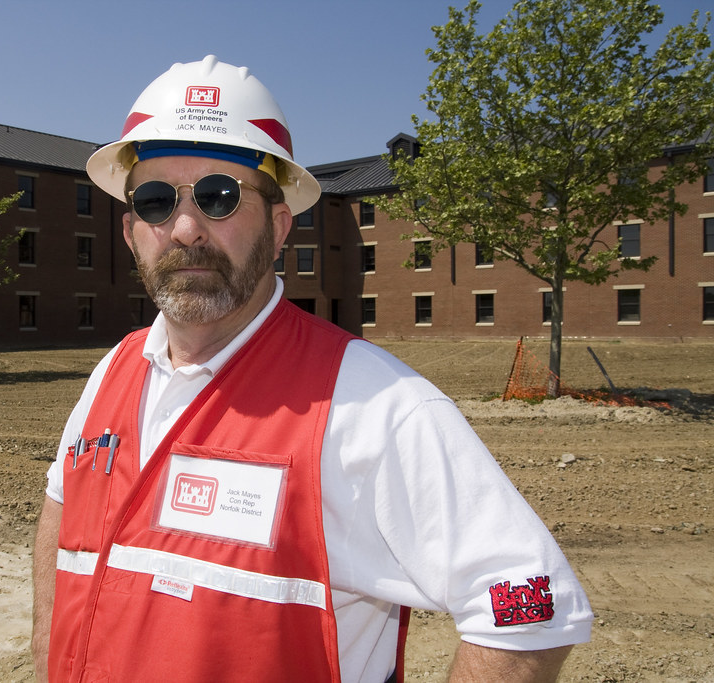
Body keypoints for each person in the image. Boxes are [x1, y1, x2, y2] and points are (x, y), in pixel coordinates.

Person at [33, 55, 592, 682]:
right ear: (133, 230)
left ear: (278, 228)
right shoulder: (113, 372)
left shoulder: (374, 404)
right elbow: (63, 516)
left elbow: (530, 607)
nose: (186, 228)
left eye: (219, 197)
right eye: (158, 201)